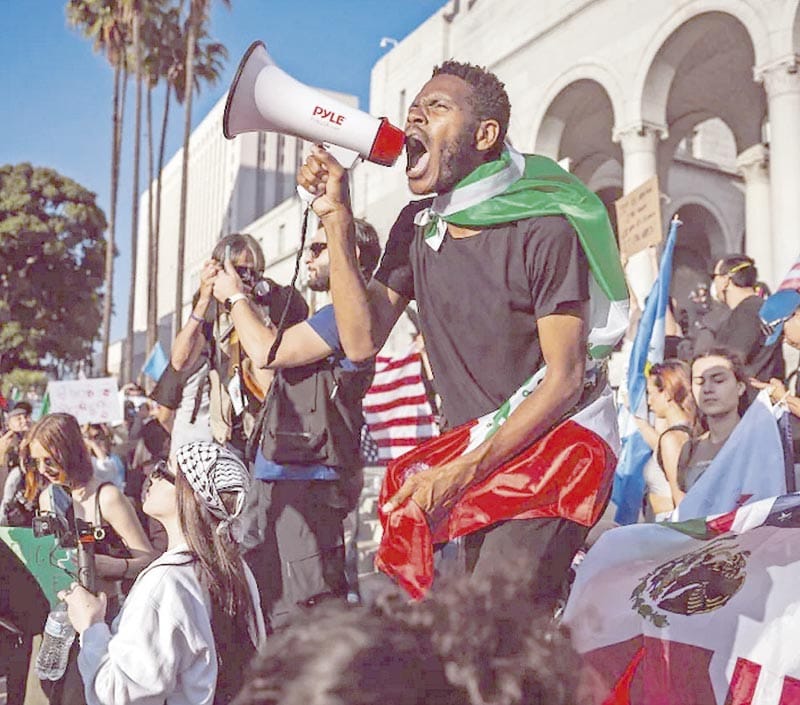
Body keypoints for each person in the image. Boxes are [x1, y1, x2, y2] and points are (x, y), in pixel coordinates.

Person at [296, 60, 626, 603]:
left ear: (485, 135)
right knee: (493, 630)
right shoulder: (415, 227)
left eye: (437, 108)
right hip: (483, 459)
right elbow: (360, 340)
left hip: (556, 453)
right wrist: (335, 216)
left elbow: (564, 381)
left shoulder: (544, 227)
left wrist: (459, 472)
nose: (415, 118)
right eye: (413, 110)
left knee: (490, 624)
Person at [211, 217, 380, 625]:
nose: (307, 256)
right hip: (278, 474)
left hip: (309, 482)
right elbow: (267, 371)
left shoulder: (347, 316)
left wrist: (235, 298)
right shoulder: (322, 317)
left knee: (311, 611)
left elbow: (266, 351)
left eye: (318, 248)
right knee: (267, 609)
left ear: (350, 254)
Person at [61, 441, 266, 705]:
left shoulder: (166, 583)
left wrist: (90, 625)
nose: (153, 475)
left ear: (189, 496)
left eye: (165, 470)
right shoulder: (236, 568)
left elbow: (118, 695)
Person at [153, 232, 308, 455]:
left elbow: (277, 352)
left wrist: (246, 303)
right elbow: (179, 362)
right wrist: (204, 300)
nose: (246, 279)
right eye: (239, 271)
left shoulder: (276, 298)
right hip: (228, 432)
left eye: (254, 271)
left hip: (271, 427)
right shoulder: (213, 306)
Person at [678, 348, 750, 494]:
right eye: (700, 382)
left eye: (718, 381)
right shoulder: (690, 450)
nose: (707, 389)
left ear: (740, 387)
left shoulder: (759, 442)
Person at [634, 360, 696, 518]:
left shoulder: (673, 438)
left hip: (669, 520)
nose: (649, 401)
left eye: (651, 393)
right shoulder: (678, 432)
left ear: (667, 394)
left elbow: (680, 495)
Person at [710, 255, 784, 382]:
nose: (713, 283)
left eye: (714, 277)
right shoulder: (759, 308)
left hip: (749, 390)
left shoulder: (748, 312)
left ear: (726, 280)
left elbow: (732, 359)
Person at [0, 401, 32, 507]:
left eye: (26, 417)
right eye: (18, 418)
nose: (24, 421)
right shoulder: (6, 440)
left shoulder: (33, 437)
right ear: (8, 423)